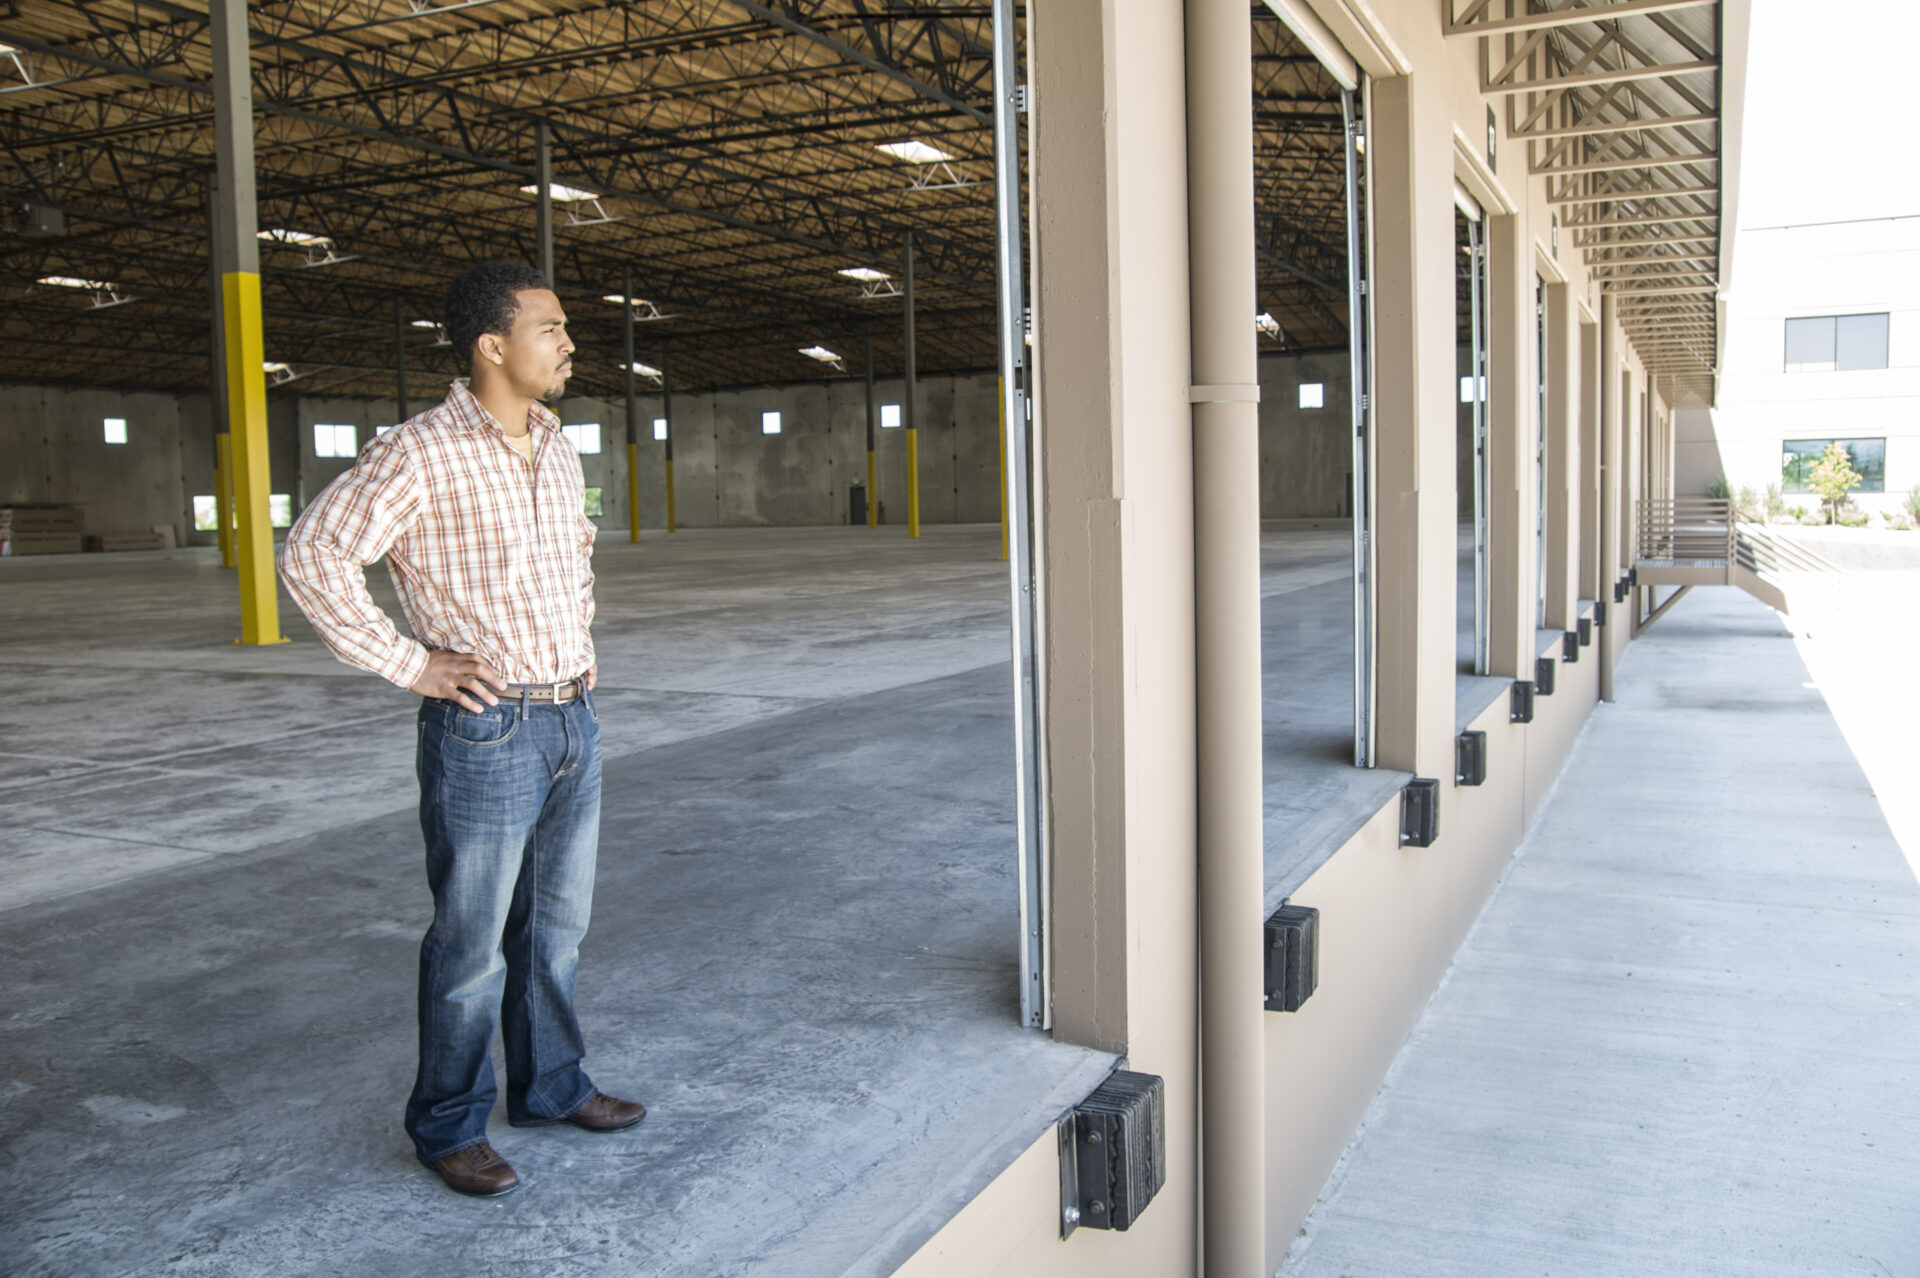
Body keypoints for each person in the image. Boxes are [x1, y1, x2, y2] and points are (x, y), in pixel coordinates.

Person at [278, 261, 644, 1197]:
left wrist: (579, 653)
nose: (569, 343)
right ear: (493, 344)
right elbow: (316, 553)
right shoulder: (418, 451)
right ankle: (446, 1125)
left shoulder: (557, 444)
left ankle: (553, 1088)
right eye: (552, 328)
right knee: (471, 944)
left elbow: (574, 563)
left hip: (573, 718)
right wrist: (412, 664)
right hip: (485, 731)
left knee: (555, 930)